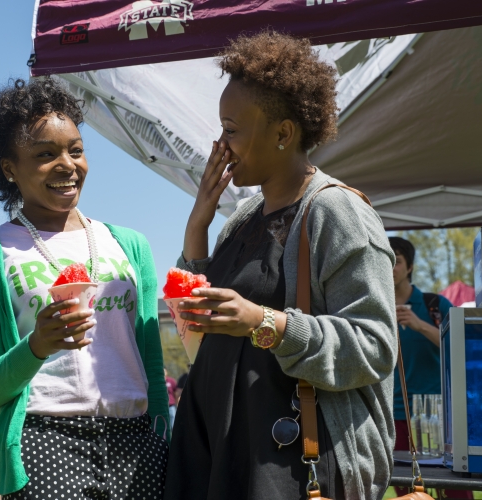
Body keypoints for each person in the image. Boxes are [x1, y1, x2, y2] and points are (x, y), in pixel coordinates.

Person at [164, 31, 397, 500]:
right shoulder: (242, 219)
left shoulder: (337, 213)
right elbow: (197, 332)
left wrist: (263, 322)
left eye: (231, 129)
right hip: (220, 455)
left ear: (283, 133)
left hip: (292, 465)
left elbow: (374, 346)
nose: (221, 146)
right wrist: (197, 229)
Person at [0, 77, 169, 500]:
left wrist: (162, 437)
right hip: (45, 440)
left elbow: (151, 362)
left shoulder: (130, 244)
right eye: (45, 154)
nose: (67, 164)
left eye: (76, 150)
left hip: (137, 441)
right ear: (9, 168)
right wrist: (37, 345)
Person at [389, 237, 470, 499]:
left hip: (439, 414)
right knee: (408, 491)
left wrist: (419, 324)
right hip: (392, 414)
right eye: (385, 260)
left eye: (397, 261)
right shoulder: (372, 309)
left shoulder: (435, 305)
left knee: (456, 490)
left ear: (410, 267)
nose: (390, 266)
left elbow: (460, 349)